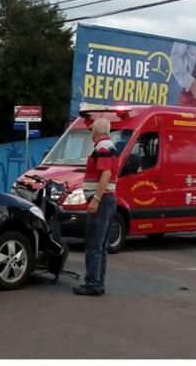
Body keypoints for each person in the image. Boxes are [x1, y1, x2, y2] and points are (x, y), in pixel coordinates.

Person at [73, 117, 118, 296]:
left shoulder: (102, 147)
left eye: (92, 130)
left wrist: (96, 198)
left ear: (96, 132)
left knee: (94, 244)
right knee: (102, 245)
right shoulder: (111, 147)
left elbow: (105, 174)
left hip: (103, 200)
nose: (91, 134)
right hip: (109, 199)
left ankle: (92, 284)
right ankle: (98, 282)